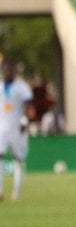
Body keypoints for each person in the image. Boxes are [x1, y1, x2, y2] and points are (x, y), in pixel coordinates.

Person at [0, 57, 34, 202]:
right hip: (2, 128)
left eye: (10, 69)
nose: (8, 71)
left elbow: (28, 105)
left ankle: (17, 192)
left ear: (14, 70)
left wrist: (25, 120)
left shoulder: (22, 87)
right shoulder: (0, 87)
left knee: (19, 159)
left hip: (18, 127)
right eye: (5, 68)